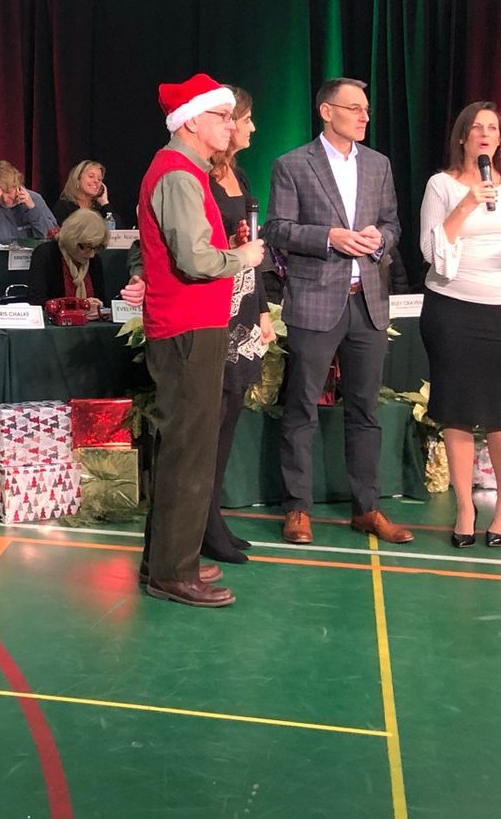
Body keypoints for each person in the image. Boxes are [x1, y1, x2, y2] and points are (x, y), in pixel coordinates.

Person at [265, 77, 414, 547]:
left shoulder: (379, 165)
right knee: (302, 407)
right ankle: (297, 509)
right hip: (315, 299)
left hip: (367, 300)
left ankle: (366, 508)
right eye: (354, 108)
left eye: (366, 109)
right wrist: (330, 237)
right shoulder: (292, 164)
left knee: (366, 409)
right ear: (327, 112)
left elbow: (392, 223)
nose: (364, 116)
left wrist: (379, 240)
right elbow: (278, 229)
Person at [135, 73, 257, 607]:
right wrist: (242, 259)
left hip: (191, 324)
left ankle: (168, 561)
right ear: (190, 121)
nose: (230, 126)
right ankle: (171, 572)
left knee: (185, 446)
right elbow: (196, 259)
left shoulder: (185, 172)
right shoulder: (180, 174)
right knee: (188, 449)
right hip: (187, 328)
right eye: (221, 116)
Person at [419, 102, 501, 548]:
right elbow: (432, 250)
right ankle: (465, 507)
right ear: (463, 137)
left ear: (500, 139)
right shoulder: (442, 185)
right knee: (457, 413)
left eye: (494, 128)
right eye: (477, 128)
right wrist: (466, 204)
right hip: (452, 309)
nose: (486, 135)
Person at [201, 85, 276, 566]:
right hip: (212, 307)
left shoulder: (239, 175)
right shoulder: (200, 178)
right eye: (244, 120)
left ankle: (214, 518)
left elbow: (250, 249)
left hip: (244, 303)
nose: (249, 128)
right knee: (209, 420)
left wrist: (264, 309)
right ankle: (202, 521)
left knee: (229, 416)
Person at [27, 209, 110, 306]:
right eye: (87, 247)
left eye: (96, 248)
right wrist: (78, 306)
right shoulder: (46, 254)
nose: (91, 254)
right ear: (72, 240)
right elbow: (37, 301)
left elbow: (101, 299)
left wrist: (98, 307)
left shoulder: (95, 261)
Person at [0, 160, 58, 244]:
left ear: (17, 184)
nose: (4, 199)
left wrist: (32, 209)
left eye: (8, 192)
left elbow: (51, 235)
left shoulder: (34, 198)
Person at [53, 159, 121, 230]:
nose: (96, 181)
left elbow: (120, 232)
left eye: (99, 179)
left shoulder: (100, 208)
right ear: (78, 179)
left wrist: (105, 203)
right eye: (91, 176)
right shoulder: (64, 207)